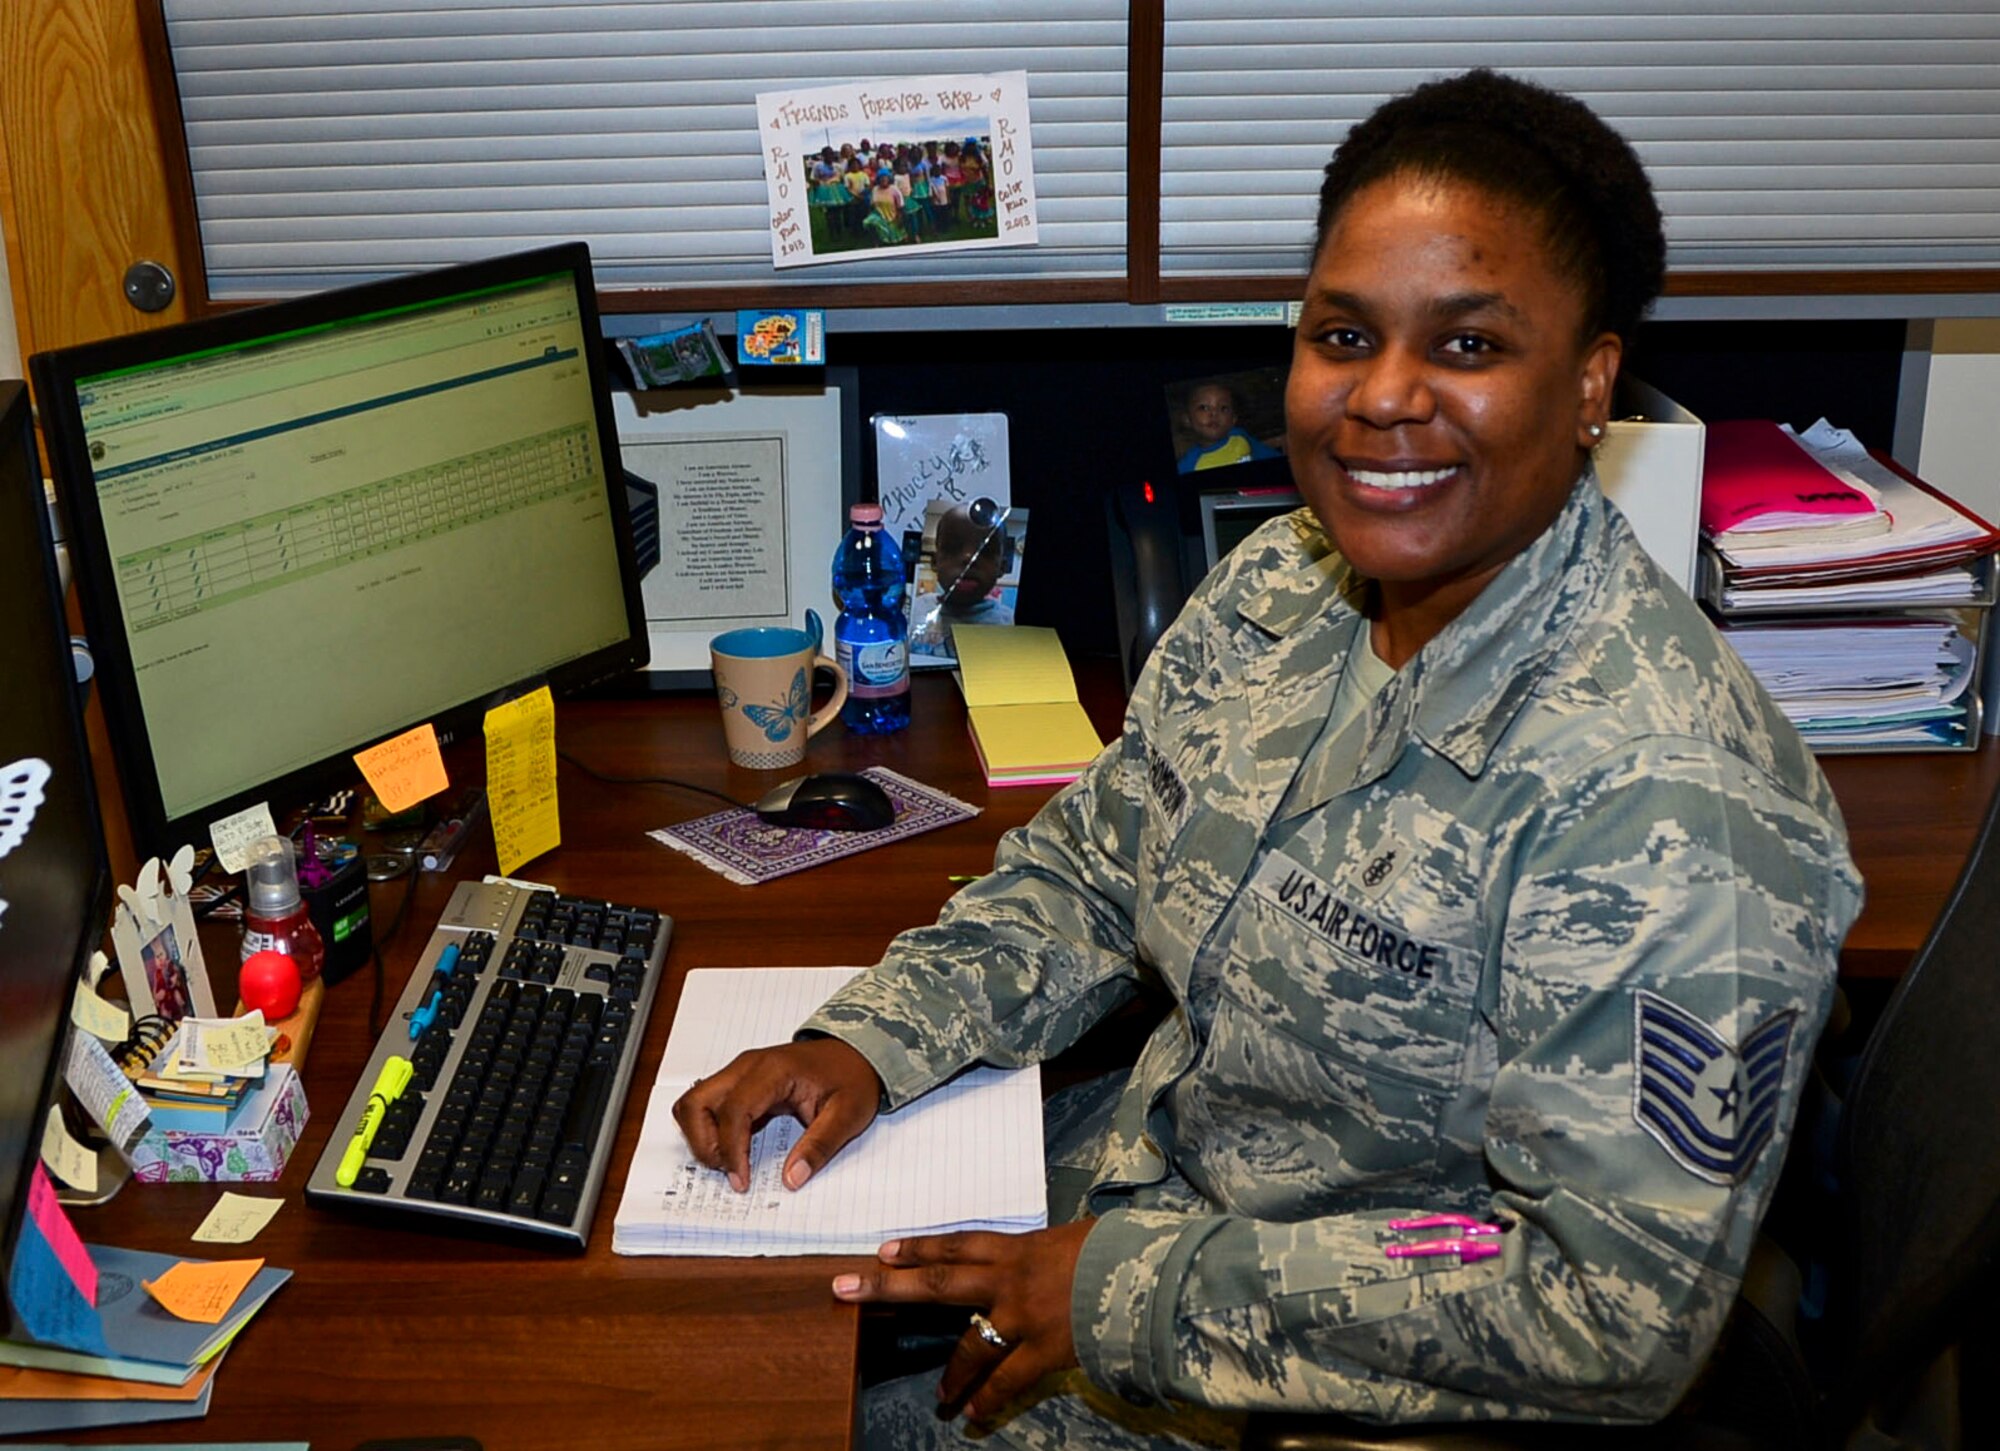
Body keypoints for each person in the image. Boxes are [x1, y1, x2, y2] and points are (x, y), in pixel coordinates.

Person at [675, 68, 1861, 1450]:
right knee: (711, 1324)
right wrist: (872, 1039)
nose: (1383, 397)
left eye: (1468, 345)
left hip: (1303, 1373)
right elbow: (1094, 864)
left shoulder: (1672, 802)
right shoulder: (1285, 583)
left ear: (1590, 380)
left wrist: (1126, 1292)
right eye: (1342, 334)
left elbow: (1606, 1309)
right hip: (1136, 1176)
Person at [909, 498, 1017, 658]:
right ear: (935, 562)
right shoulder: (912, 612)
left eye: (985, 551)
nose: (970, 559)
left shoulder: (1010, 624)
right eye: (953, 548)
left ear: (1002, 567)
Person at [1174, 380, 1283, 473]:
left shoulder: (1239, 436)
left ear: (1233, 420)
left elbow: (1266, 453)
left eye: (1223, 408)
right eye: (1204, 408)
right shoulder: (1187, 466)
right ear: (1187, 419)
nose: (1214, 413)